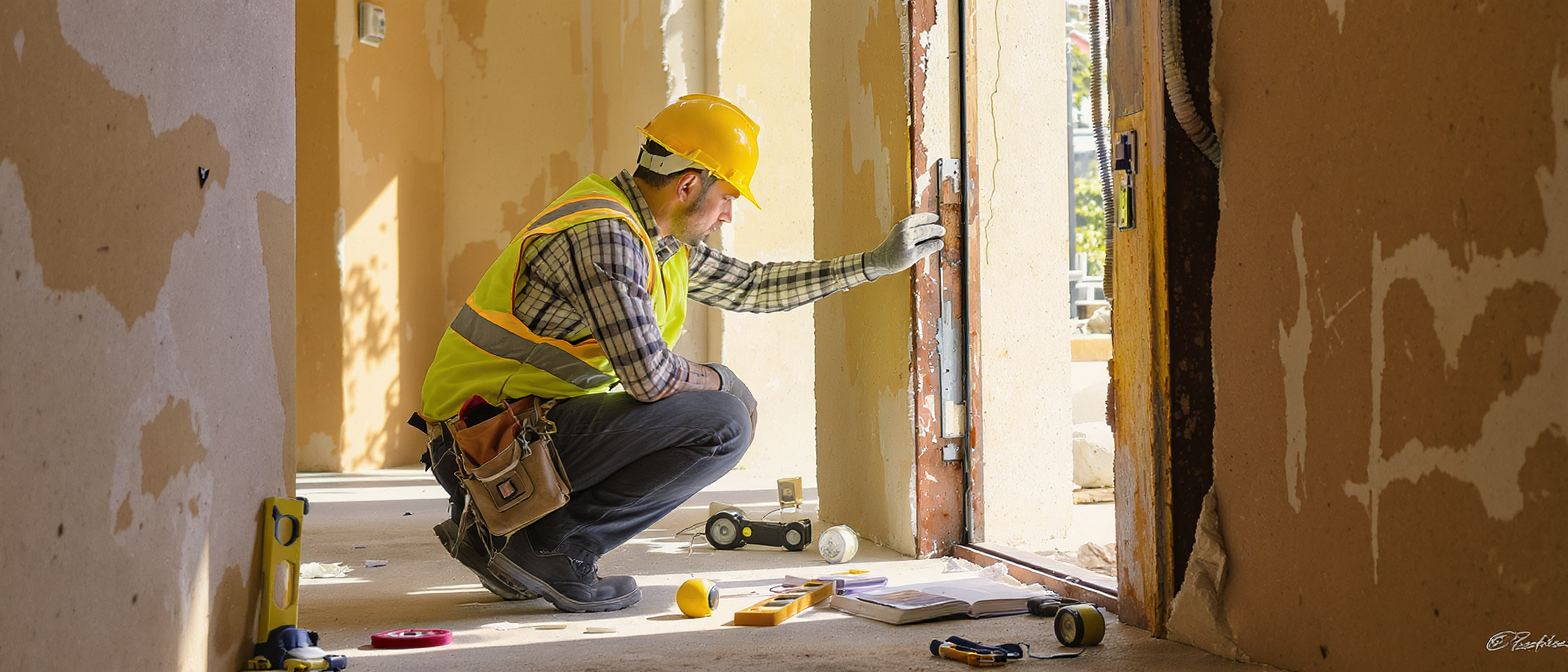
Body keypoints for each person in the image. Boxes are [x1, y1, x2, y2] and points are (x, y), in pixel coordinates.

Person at [413, 94, 944, 613]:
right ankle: (553, 547)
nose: (729, 215)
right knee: (723, 423)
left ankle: (504, 540)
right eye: (728, 196)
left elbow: (753, 287)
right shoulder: (605, 236)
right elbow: (650, 379)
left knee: (721, 410)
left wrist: (873, 263)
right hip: (482, 444)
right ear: (688, 184)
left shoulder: (659, 241)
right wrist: (720, 379)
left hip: (512, 432)